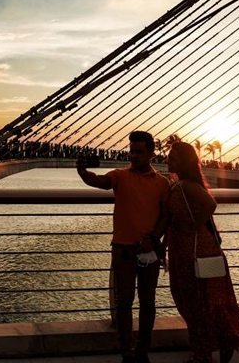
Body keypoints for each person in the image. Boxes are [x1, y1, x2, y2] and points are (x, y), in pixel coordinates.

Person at [76, 131, 170, 363]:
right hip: (123, 250)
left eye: (139, 151)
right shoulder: (120, 175)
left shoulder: (162, 183)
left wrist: (154, 238)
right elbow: (100, 182)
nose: (134, 156)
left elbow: (166, 216)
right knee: (124, 302)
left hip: (149, 250)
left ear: (151, 153)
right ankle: (127, 351)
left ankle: (143, 350)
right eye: (131, 151)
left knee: (148, 303)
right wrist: (82, 172)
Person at [156, 142, 239, 363]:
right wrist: (162, 244)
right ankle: (220, 344)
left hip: (196, 251)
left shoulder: (186, 185)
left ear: (185, 162)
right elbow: (171, 220)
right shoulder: (177, 184)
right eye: (169, 157)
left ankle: (204, 353)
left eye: (175, 158)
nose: (169, 161)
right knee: (203, 301)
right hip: (187, 250)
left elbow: (210, 204)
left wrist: (192, 227)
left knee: (199, 302)